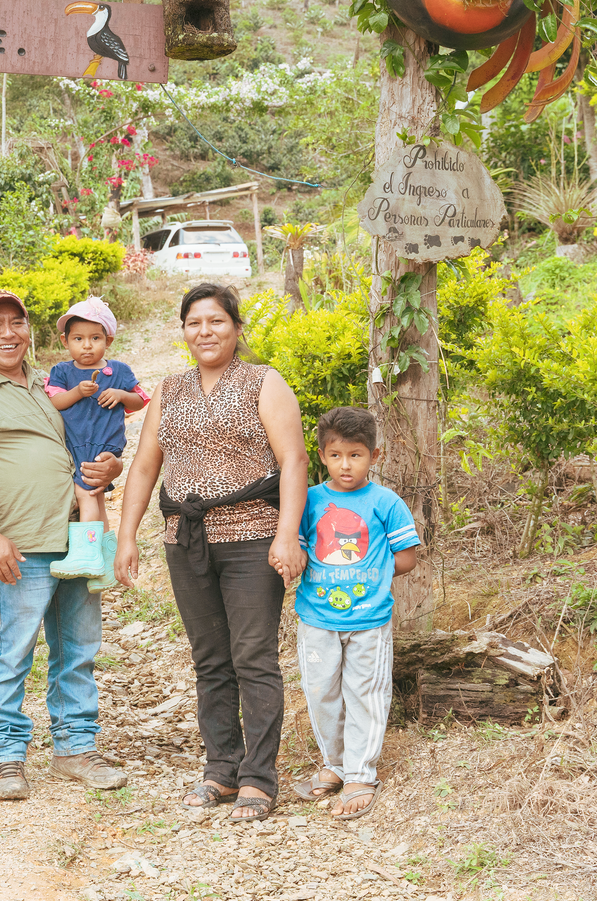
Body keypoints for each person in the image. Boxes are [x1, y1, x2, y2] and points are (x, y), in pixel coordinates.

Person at [115, 282, 309, 823]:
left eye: (216, 321)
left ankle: (259, 778)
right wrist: (126, 534)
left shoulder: (263, 383)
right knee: (211, 660)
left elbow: (293, 461)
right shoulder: (170, 390)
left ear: (236, 328)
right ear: (183, 331)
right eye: (195, 322)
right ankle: (221, 769)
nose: (205, 331)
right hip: (187, 541)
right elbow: (146, 466)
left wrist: (286, 533)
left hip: (251, 538)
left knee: (254, 657)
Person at [0, 288, 130, 800]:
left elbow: (88, 445)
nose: (7, 333)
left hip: (77, 536)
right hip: (20, 544)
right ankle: (5, 756)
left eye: (15, 322)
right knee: (13, 651)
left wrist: (112, 467)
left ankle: (75, 747)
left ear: (29, 330)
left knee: (78, 649)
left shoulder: (50, 387)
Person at [291, 406, 419, 821]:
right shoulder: (308, 501)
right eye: (336, 455)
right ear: (322, 456)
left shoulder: (386, 502)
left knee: (365, 694)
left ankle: (361, 773)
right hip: (317, 618)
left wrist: (369, 575)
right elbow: (296, 548)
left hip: (369, 620)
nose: (345, 465)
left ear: (374, 456)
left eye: (356, 455)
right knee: (321, 692)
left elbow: (407, 558)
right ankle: (334, 764)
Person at [45, 296, 148, 588]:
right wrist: (78, 391)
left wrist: (121, 396)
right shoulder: (62, 373)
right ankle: (104, 560)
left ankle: (85, 554)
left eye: (95, 338)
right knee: (98, 499)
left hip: (100, 446)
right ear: (65, 341)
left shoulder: (118, 371)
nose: (87, 345)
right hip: (76, 445)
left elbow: (140, 399)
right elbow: (56, 402)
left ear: (108, 339)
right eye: (78, 338)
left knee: (86, 494)